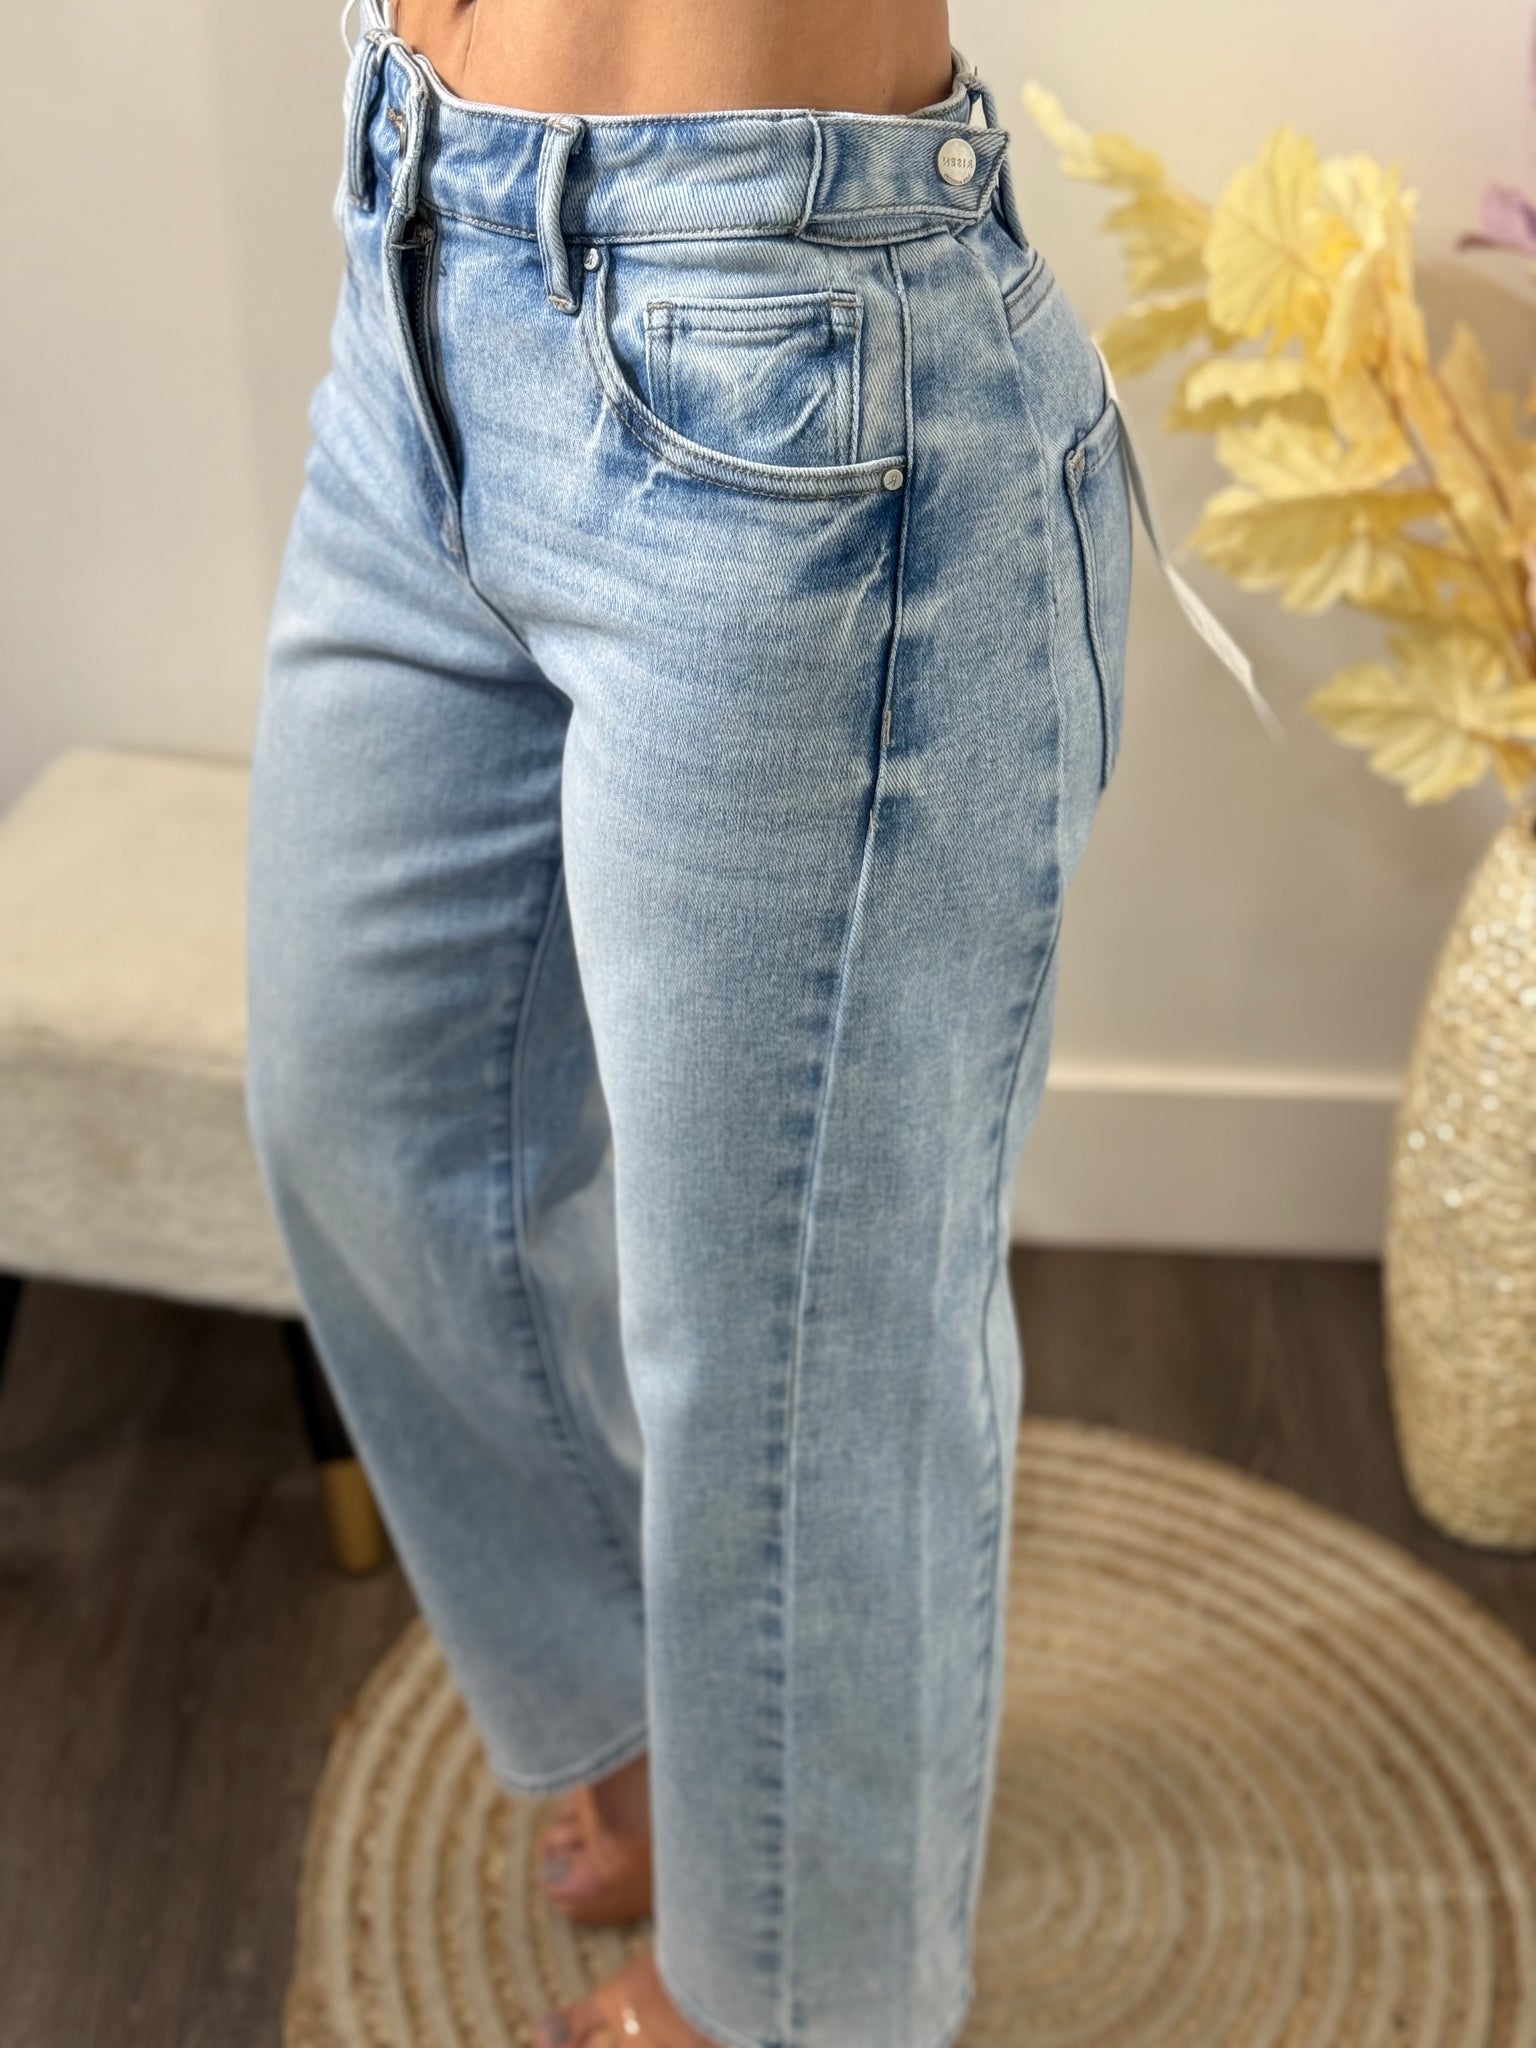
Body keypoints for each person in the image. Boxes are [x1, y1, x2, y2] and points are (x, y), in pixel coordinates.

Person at [245, 1, 1142, 2042]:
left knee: (800, 1358)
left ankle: (793, 1994)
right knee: (368, 1120)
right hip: (420, 256)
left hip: (784, 341)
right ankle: (690, 1732)